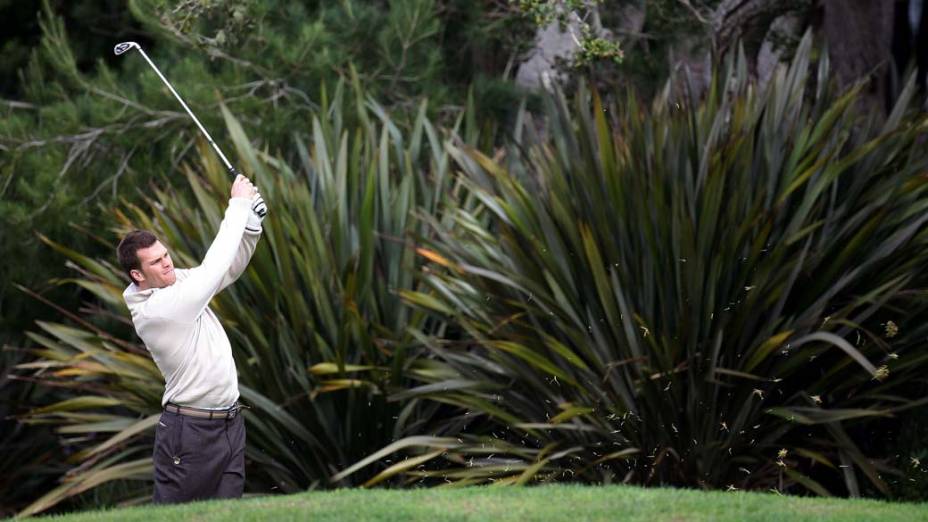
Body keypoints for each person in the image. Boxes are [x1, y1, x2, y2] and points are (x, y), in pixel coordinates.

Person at [116, 174, 267, 503]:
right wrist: (239, 203)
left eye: (166, 254)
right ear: (137, 275)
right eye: (156, 262)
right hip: (190, 435)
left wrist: (251, 226)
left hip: (230, 424)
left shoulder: (175, 284)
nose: (167, 262)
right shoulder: (159, 309)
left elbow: (224, 271)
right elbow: (212, 270)